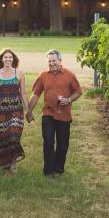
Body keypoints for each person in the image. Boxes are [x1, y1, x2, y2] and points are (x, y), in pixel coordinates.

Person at [26, 49, 82, 177]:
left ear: (60, 61)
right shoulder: (43, 75)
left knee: (62, 144)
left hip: (64, 115)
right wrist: (29, 111)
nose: (52, 63)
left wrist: (68, 99)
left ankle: (59, 168)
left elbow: (78, 92)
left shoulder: (70, 75)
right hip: (48, 113)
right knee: (48, 141)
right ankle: (49, 170)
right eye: (49, 61)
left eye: (54, 60)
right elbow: (35, 95)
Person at [0, 48, 28, 173]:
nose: (8, 59)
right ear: (1, 59)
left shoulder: (19, 73)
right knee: (2, 137)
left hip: (16, 109)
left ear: (13, 59)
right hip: (0, 110)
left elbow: (23, 93)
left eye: (10, 57)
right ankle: (6, 163)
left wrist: (28, 110)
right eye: (5, 57)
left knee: (13, 135)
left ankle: (13, 163)